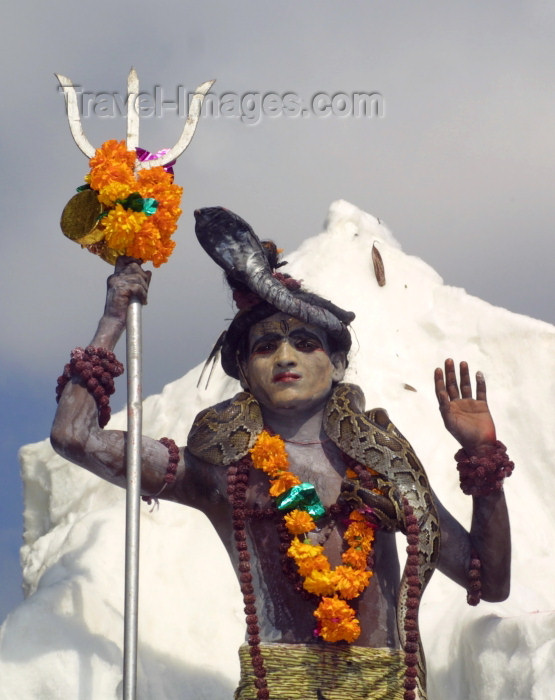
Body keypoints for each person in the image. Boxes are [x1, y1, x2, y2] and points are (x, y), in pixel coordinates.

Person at [51, 222, 512, 700]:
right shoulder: (222, 467)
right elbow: (74, 436)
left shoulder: (384, 464)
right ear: (246, 372)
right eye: (266, 346)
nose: (285, 357)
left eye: (305, 343)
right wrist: (112, 320)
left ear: (336, 365)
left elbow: (490, 579)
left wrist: (482, 458)